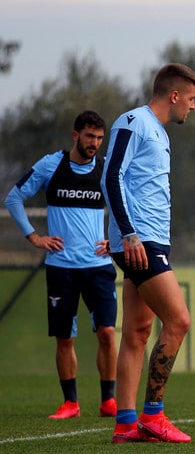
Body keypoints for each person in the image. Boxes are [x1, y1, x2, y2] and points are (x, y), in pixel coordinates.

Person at [102, 63, 195, 444]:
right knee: (178, 321)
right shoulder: (133, 122)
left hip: (150, 240)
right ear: (174, 95)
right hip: (139, 241)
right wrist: (127, 233)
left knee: (138, 331)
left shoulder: (159, 133)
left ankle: (126, 424)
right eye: (191, 99)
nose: (193, 107)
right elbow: (111, 175)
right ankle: (153, 415)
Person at [4, 110, 118, 420]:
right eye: (89, 136)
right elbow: (13, 198)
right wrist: (34, 237)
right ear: (75, 135)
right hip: (61, 267)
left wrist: (116, 240)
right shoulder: (51, 165)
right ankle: (71, 403)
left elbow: (126, 204)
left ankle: (109, 400)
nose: (94, 143)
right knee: (65, 337)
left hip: (98, 267)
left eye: (99, 138)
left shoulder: (107, 170)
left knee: (107, 333)